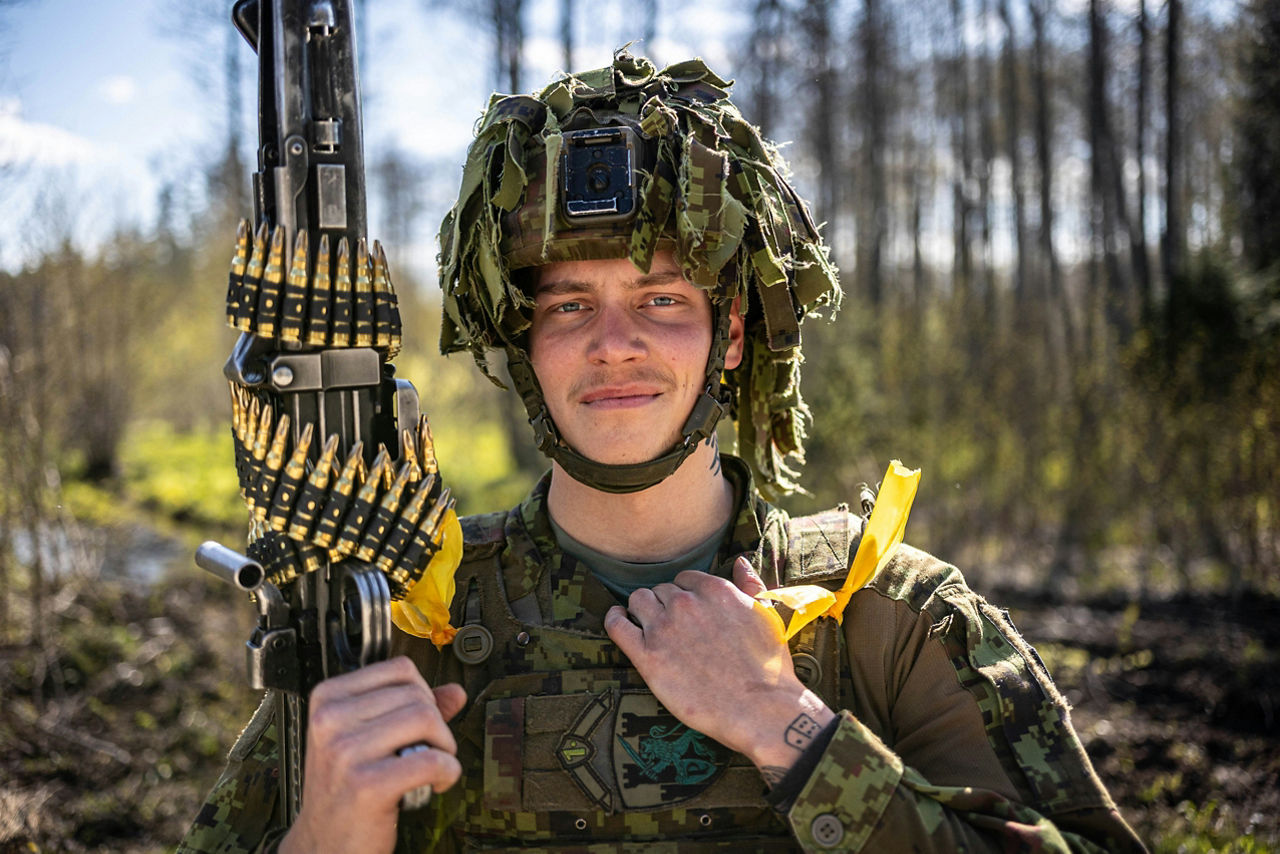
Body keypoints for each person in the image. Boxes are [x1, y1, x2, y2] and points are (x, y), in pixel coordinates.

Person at [179, 52, 1145, 853]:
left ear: (729, 339)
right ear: (526, 347)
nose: (614, 343)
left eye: (663, 300)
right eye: (568, 305)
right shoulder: (403, 619)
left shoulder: (887, 618)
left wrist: (788, 728)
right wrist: (323, 836)